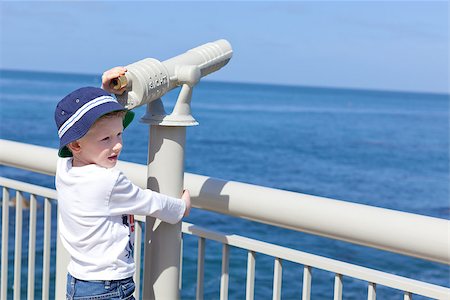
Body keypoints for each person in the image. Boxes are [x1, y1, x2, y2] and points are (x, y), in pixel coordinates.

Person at [55, 67, 191, 300]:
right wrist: (181, 208)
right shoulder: (108, 181)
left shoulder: (65, 170)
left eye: (119, 135)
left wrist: (104, 93)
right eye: (106, 139)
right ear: (76, 146)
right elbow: (151, 202)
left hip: (78, 282)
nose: (117, 145)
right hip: (108, 288)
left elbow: (85, 124)